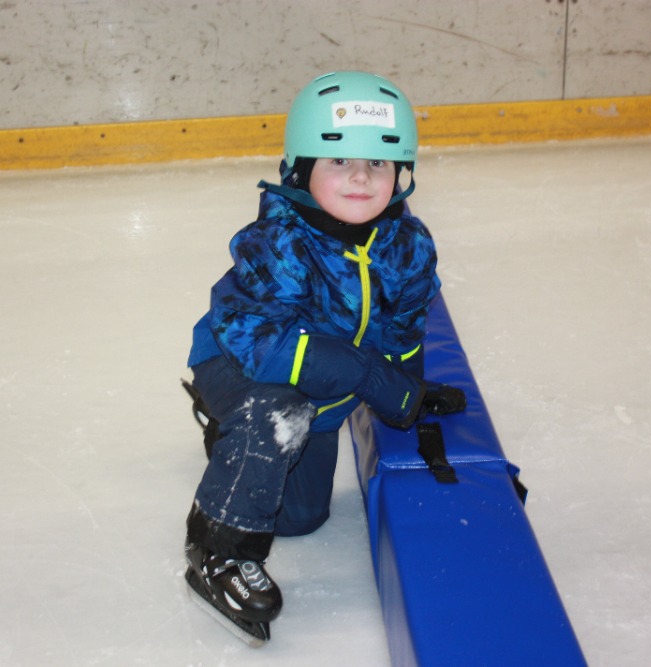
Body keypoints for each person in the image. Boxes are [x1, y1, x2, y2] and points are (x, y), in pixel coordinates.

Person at [181, 71, 466, 645]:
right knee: (277, 413)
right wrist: (367, 374)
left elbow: (404, 330)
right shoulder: (278, 243)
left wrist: (406, 393)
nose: (361, 176)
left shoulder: (408, 248)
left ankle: (231, 440)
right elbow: (263, 346)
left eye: (378, 162)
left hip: (322, 394)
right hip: (240, 367)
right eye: (339, 161)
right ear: (302, 168)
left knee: (300, 518)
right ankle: (216, 554)